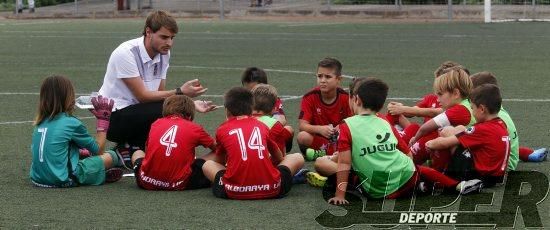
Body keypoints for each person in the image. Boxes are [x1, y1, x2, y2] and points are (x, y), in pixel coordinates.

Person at [309, 78, 482, 205]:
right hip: (407, 178)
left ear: (356, 100)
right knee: (420, 170)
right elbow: (406, 151)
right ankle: (458, 185)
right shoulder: (384, 122)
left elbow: (344, 163)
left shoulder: (347, 126)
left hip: (378, 191)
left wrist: (340, 195)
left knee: (331, 166)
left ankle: (421, 186)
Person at [97, 10, 216, 166]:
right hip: (114, 119)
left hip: (137, 113)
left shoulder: (164, 53)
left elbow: (160, 95)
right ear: (148, 32)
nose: (169, 43)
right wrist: (181, 93)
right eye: (164, 37)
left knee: (171, 111)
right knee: (168, 110)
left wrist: (190, 104)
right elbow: (142, 96)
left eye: (172, 38)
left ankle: (131, 148)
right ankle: (131, 146)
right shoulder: (126, 53)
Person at [202, 87, 305, 200]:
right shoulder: (263, 126)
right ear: (252, 108)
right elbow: (279, 157)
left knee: (207, 165)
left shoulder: (222, 129)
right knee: (297, 157)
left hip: (234, 191)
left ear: (227, 110)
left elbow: (220, 161)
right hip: (272, 189)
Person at [30, 75, 124, 188]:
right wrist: (103, 121)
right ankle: (97, 174)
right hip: (63, 179)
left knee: (85, 154)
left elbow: (52, 148)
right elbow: (98, 150)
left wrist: (81, 153)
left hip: (37, 178)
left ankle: (97, 174)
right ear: (68, 96)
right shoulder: (71, 123)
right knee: (111, 156)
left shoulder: (39, 122)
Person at [426, 84, 510, 187]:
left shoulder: (482, 129)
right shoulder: (502, 124)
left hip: (480, 176)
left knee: (446, 134)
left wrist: (429, 144)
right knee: (460, 129)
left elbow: (444, 143)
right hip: (497, 176)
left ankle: (443, 177)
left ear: (482, 109)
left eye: (473, 108)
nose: (473, 113)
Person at [130, 95, 216, 190]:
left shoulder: (156, 123)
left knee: (137, 153)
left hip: (147, 182)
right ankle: (224, 175)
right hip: (180, 183)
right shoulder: (195, 128)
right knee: (219, 155)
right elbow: (217, 148)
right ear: (190, 114)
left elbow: (147, 152)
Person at [470, 72, 547, 169]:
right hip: (509, 156)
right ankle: (527, 153)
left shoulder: (483, 115)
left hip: (502, 165)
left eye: (471, 95)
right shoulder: (495, 109)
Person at [408, 68, 474, 171]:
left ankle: (409, 160)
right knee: (436, 132)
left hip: (467, 158)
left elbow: (426, 127)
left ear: (456, 93)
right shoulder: (466, 104)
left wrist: (415, 139)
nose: (438, 99)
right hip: (468, 153)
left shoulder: (460, 110)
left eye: (440, 94)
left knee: (434, 133)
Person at [297, 57, 353, 161]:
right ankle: (332, 153)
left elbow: (355, 122)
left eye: (327, 77)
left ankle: (321, 154)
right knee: (302, 136)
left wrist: (341, 128)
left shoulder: (346, 98)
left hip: (341, 139)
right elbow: (302, 125)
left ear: (338, 80)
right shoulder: (309, 97)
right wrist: (320, 129)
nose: (322, 80)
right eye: (319, 76)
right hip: (321, 139)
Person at [251, 84, 293, 154]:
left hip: (241, 162)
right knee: (297, 157)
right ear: (274, 108)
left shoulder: (241, 120)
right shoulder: (275, 124)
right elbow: (281, 155)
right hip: (265, 161)